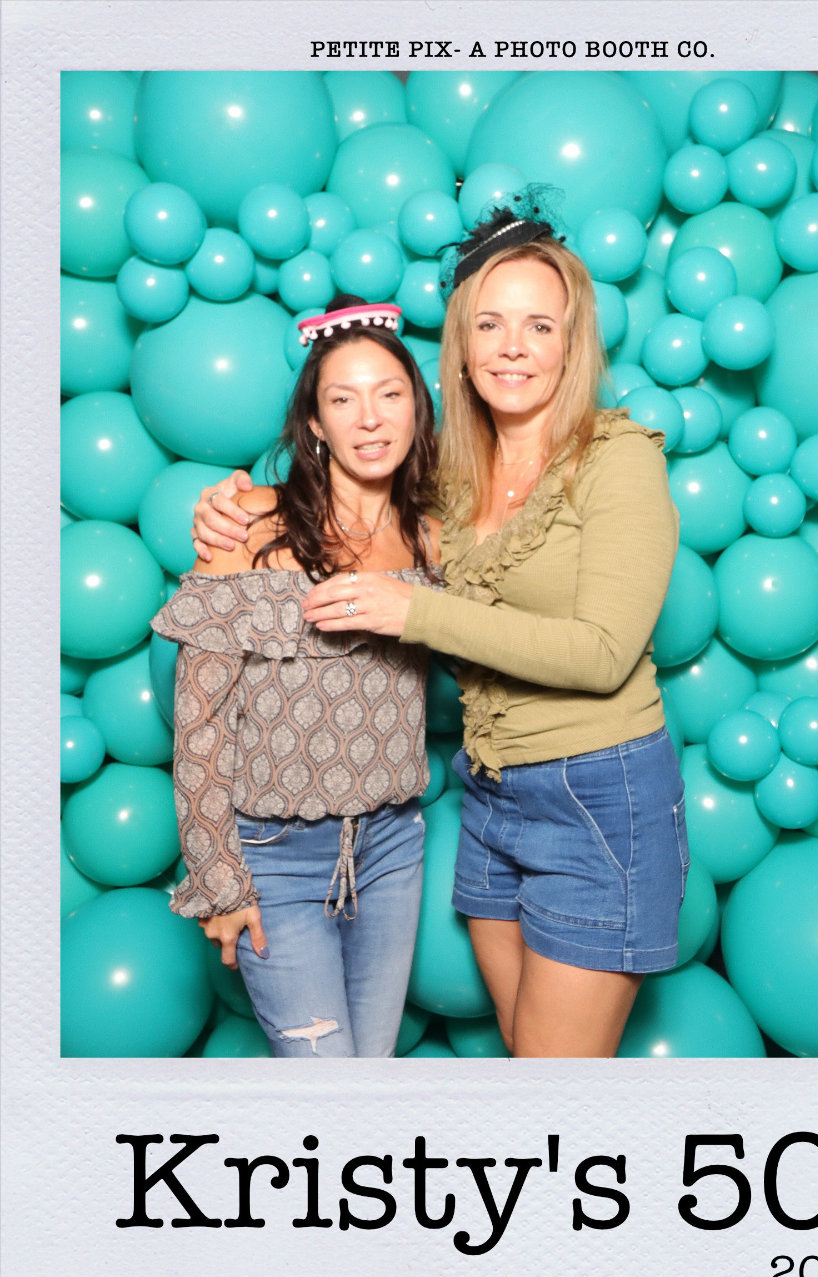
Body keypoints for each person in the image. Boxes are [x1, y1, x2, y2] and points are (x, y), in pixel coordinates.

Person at [195, 202, 688, 1059]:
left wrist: (412, 611)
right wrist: (238, 507)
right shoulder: (451, 480)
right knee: (525, 1056)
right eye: (490, 324)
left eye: (540, 325)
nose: (512, 347)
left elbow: (605, 654)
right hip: (492, 797)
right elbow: (348, 506)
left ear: (572, 344)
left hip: (599, 792)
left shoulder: (618, 458)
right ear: (460, 345)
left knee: (556, 1078)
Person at [153, 296, 442, 1057]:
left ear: (417, 407)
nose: (370, 418)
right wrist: (218, 876)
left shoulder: (434, 537)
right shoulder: (248, 524)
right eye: (343, 400)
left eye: (389, 394)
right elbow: (200, 719)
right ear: (315, 423)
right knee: (324, 1087)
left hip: (393, 848)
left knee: (369, 1077)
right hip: (273, 855)